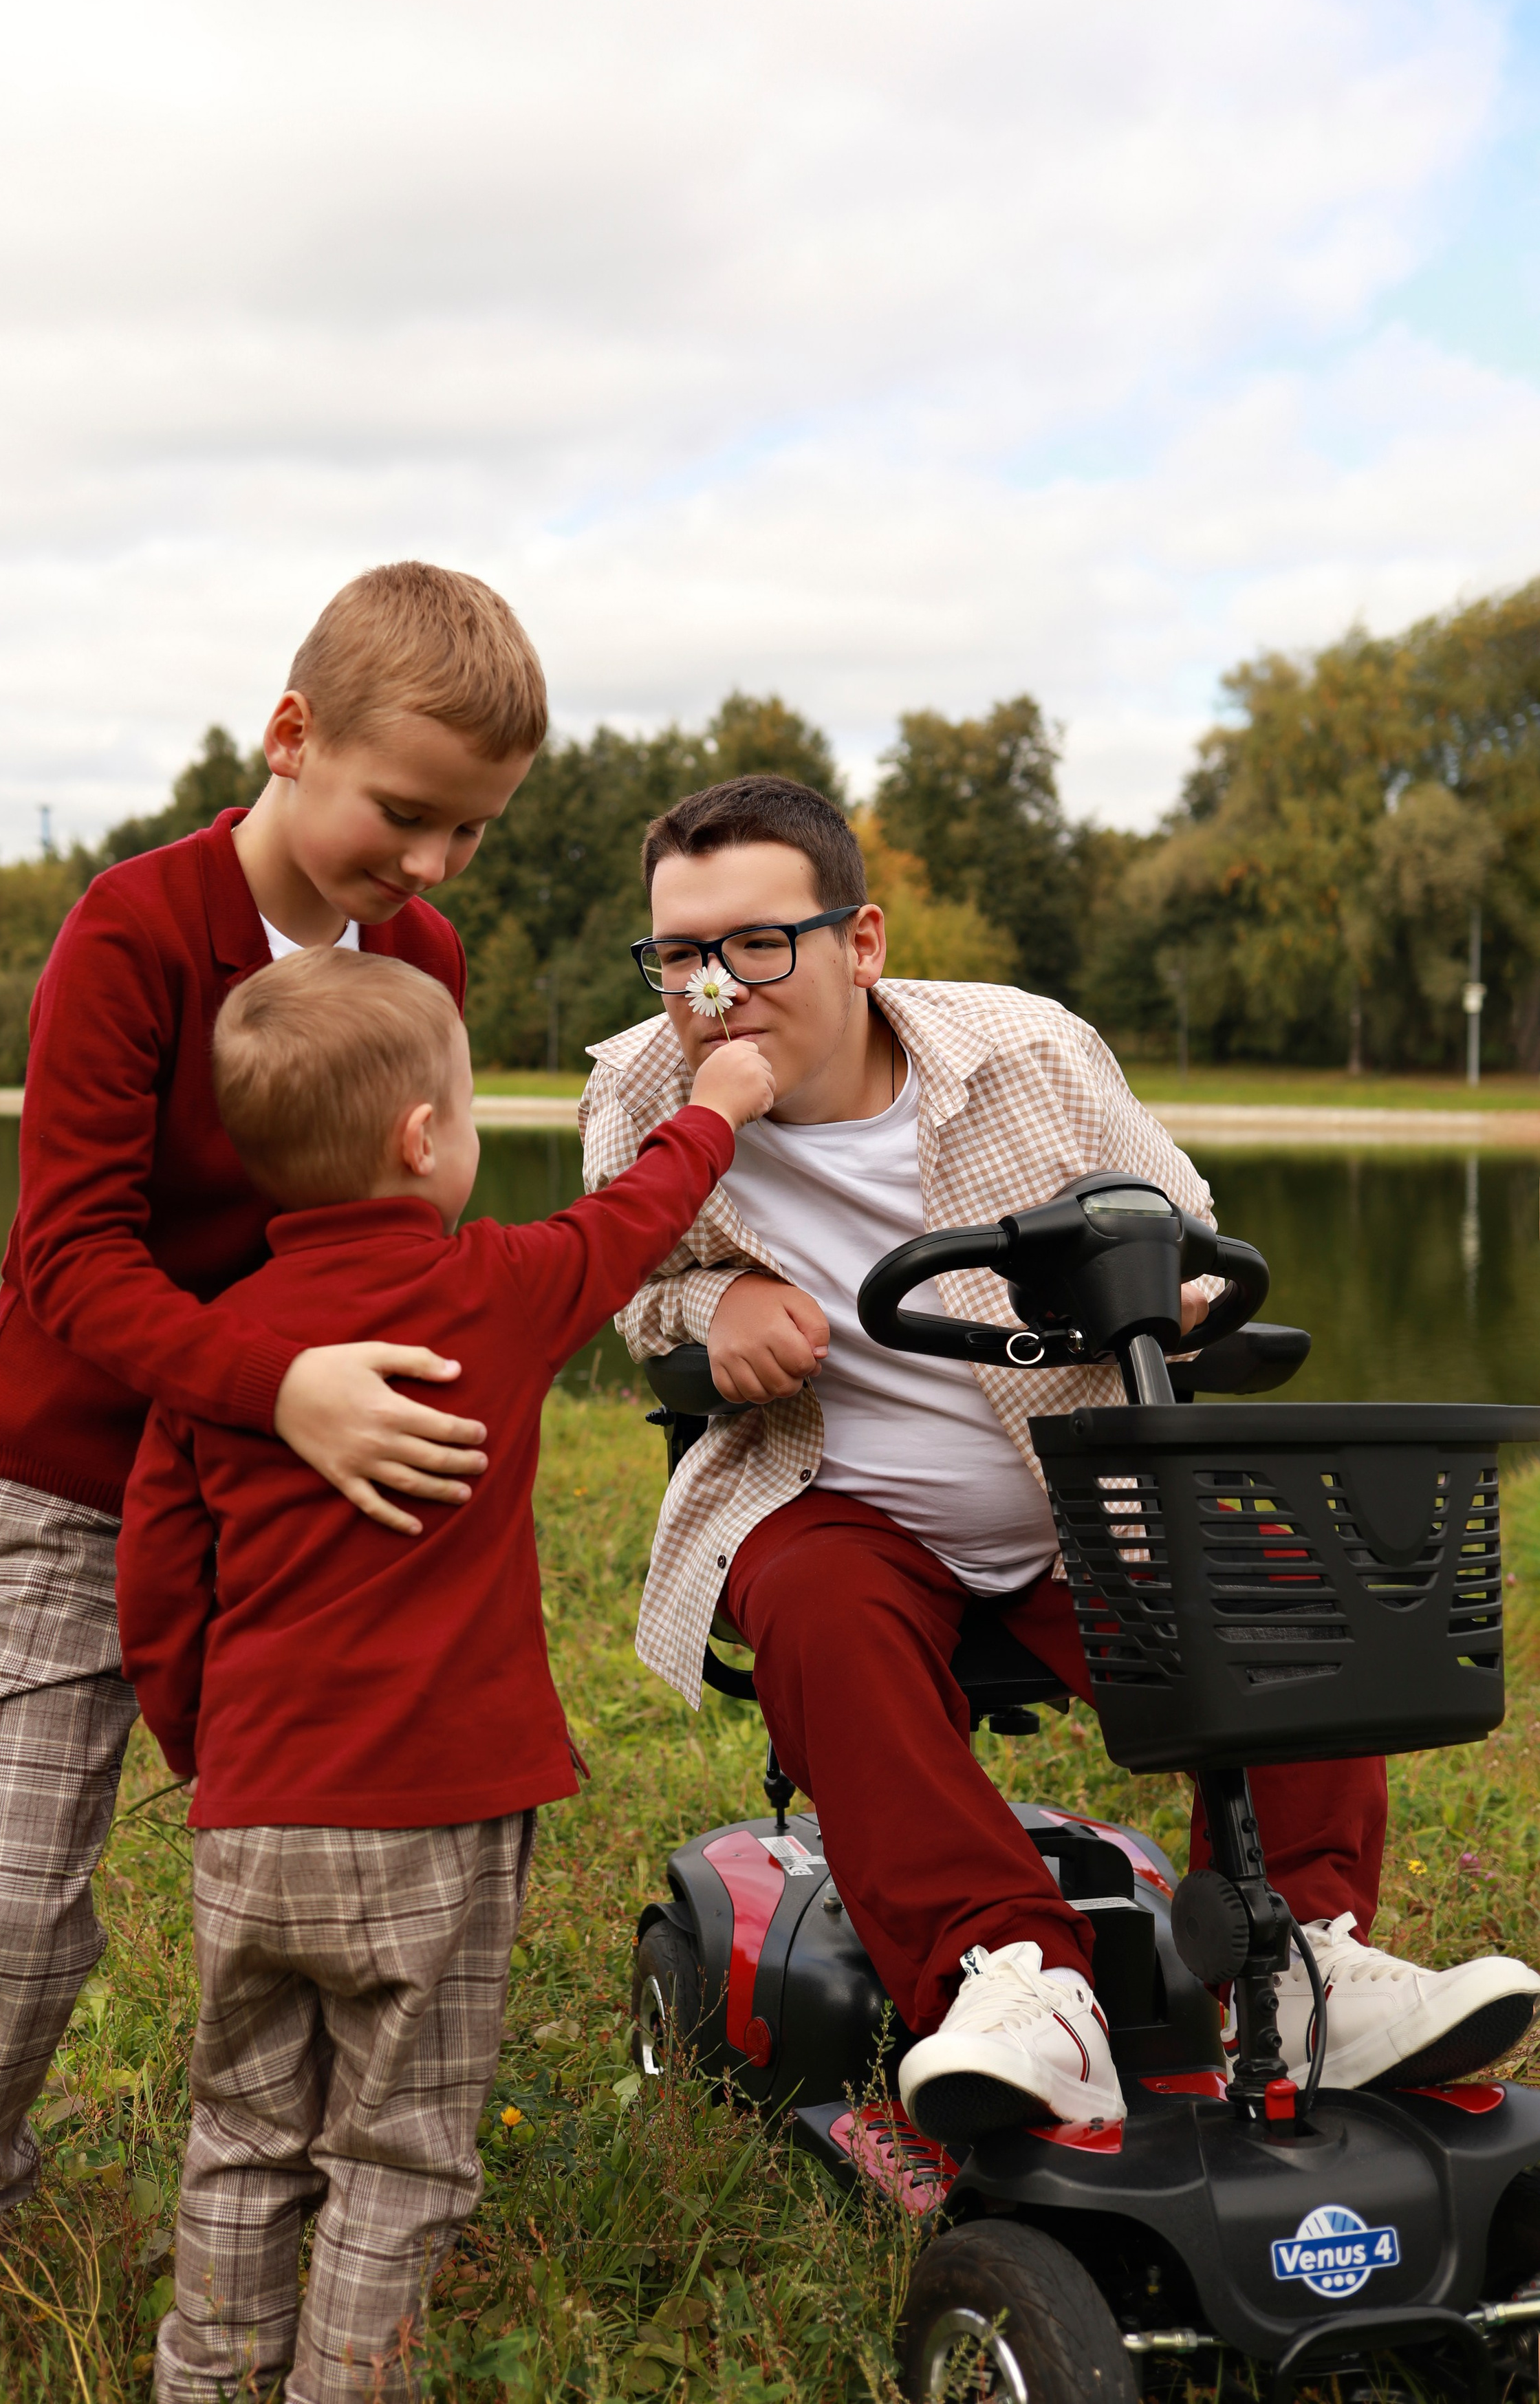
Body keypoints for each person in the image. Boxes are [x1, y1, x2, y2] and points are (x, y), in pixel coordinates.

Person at [582, 772, 1539, 2147]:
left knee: (1278, 1581)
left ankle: (1303, 1963)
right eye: (680, 955)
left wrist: (1180, 1294)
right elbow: (623, 1282)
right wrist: (706, 1305)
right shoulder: (637, 1083)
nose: (714, 992)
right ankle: (1017, 1982)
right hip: (829, 1493)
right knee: (820, 1607)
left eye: (757, 945)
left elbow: (1182, 1221)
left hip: (1073, 1486)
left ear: (861, 943)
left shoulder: (1028, 1050)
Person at [0, 567, 548, 2387]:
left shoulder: (420, 963)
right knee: (9, 1898)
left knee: (353, 1888)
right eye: (407, 812)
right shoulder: (137, 931)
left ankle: (349, 2212)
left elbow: (408, 1227)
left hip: (312, 1517)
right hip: (82, 1483)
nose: (435, 867)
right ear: (291, 736)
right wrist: (280, 1382)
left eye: (472, 829)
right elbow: (70, 1260)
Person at [116, 947, 774, 2403]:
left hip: (251, 1813)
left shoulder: (219, 1344)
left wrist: (201, 1749)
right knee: (398, 2152)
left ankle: (206, 2380)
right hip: (435, 1815)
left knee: (242, 2135)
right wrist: (718, 1101)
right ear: (422, 1139)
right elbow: (634, 1217)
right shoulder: (493, 1287)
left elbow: (156, 1579)